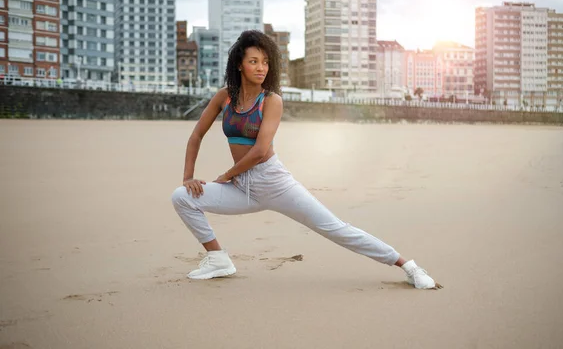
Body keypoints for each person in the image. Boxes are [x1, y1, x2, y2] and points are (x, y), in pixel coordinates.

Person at [171, 30, 442, 290]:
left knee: (335, 228)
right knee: (182, 197)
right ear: (239, 65)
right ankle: (218, 259)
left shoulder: (271, 101)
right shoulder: (224, 97)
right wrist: (188, 177)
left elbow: (261, 151)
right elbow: (196, 135)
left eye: (265, 62)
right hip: (241, 187)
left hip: (273, 181)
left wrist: (228, 174)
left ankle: (408, 266)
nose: (261, 68)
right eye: (253, 61)